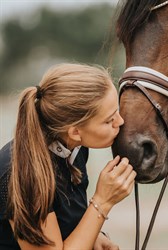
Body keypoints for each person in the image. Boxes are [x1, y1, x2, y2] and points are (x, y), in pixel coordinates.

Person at [0, 63, 137, 250]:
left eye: (117, 112)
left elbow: (66, 223)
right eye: (109, 120)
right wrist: (102, 201)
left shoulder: (74, 149)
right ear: (75, 132)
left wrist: (96, 237)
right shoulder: (21, 174)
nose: (120, 122)